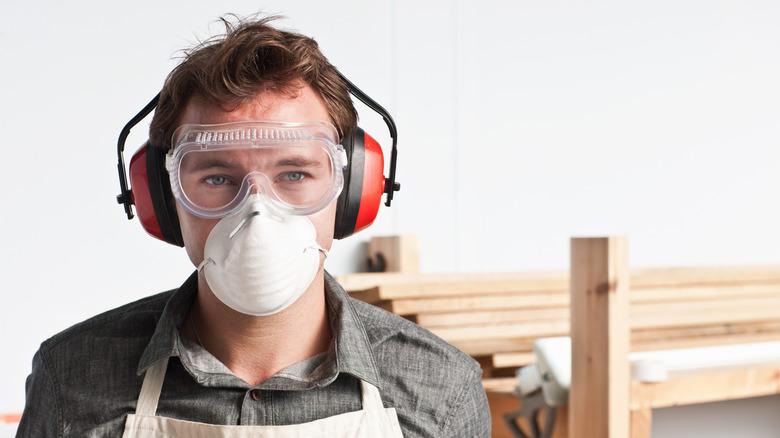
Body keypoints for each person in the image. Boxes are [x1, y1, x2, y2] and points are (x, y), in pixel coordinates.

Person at [17, 15, 490, 437]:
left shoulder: (438, 389)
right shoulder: (73, 377)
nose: (257, 209)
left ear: (350, 193)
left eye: (295, 174)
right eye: (217, 177)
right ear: (162, 198)